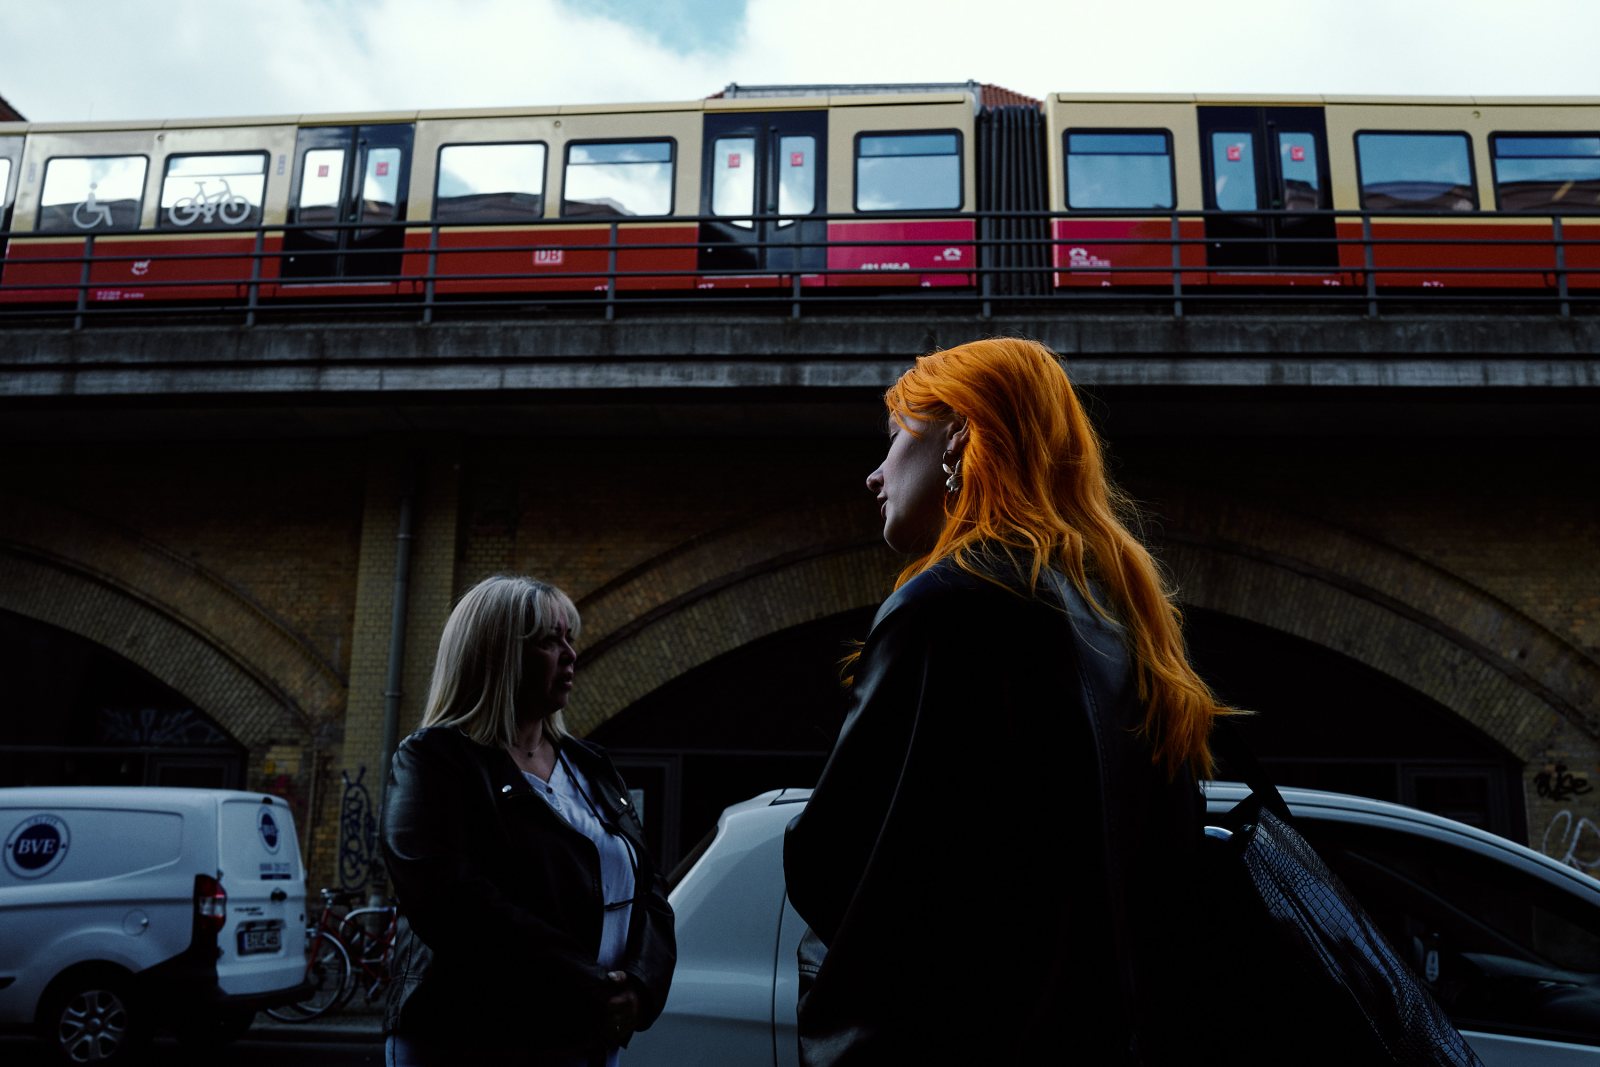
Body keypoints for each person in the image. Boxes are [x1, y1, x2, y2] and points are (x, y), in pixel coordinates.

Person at [782, 337, 1232, 1065]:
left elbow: (831, 862)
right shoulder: (1124, 626)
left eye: (897, 436)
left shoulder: (946, 604)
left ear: (960, 434)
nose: (874, 474)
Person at [381, 575, 675, 1066]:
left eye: (569, 638)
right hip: (470, 1037)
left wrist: (641, 986)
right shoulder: (434, 760)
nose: (570, 654)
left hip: (587, 1035)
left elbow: (651, 886)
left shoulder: (590, 764)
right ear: (495, 655)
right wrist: (591, 985)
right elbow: (453, 902)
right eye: (547, 641)